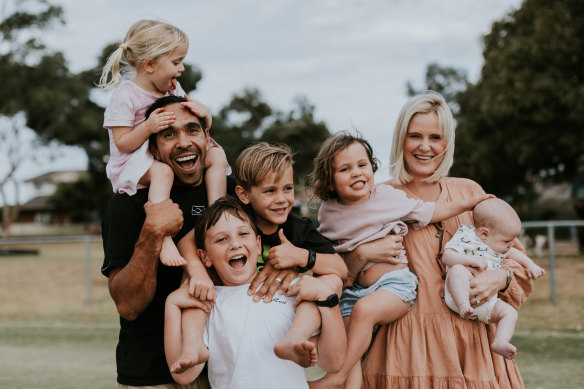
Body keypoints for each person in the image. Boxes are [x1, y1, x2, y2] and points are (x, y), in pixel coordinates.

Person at [353, 91, 533, 388]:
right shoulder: (376, 198)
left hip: (473, 349)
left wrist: (501, 278)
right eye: (415, 136)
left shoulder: (470, 193)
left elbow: (516, 262)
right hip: (406, 350)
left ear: (447, 142)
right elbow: (344, 271)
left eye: (435, 137)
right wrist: (363, 255)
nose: (425, 147)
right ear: (401, 138)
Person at [306, 132, 491, 389]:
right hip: (354, 291)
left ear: (372, 167)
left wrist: (470, 202)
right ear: (329, 182)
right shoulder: (329, 212)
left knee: (363, 313)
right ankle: (344, 381)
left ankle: (335, 376)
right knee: (346, 344)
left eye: (362, 165)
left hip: (395, 286)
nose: (357, 173)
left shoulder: (386, 197)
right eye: (345, 169)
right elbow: (331, 256)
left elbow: (431, 211)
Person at [101, 95, 235, 388]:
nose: (183, 142)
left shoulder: (231, 194)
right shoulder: (127, 205)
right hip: (152, 375)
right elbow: (128, 305)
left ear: (206, 137)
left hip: (228, 370)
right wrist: (153, 235)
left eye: (192, 130)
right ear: (153, 149)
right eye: (169, 134)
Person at [164, 196, 347, 388]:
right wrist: (171, 304)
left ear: (258, 245)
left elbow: (332, 362)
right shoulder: (208, 303)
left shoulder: (288, 289)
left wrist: (328, 301)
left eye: (243, 234)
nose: (235, 244)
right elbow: (183, 376)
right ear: (205, 257)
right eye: (221, 239)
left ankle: (295, 336)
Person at [99, 19, 229, 267]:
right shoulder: (125, 95)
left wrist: (206, 115)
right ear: (149, 64)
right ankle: (165, 235)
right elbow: (122, 143)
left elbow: (193, 121)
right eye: (176, 62)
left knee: (216, 156)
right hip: (134, 161)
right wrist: (148, 127)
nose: (181, 69)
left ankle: (218, 215)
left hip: (163, 154)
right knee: (163, 172)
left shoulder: (173, 88)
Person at [233, 142, 348, 300]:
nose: (281, 199)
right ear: (243, 194)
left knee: (332, 281)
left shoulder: (299, 227)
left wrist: (300, 257)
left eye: (287, 188)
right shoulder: (234, 224)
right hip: (245, 301)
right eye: (270, 191)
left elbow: (340, 268)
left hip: (284, 304)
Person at [442, 198, 545, 359]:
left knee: (509, 313)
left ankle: (500, 341)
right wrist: (469, 261)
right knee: (457, 271)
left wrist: (530, 265)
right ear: (484, 233)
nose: (511, 245)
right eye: (507, 241)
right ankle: (463, 305)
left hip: (486, 302)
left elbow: (514, 253)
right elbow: (448, 256)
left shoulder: (498, 243)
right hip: (459, 293)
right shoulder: (466, 236)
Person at [570, 165, 584, 253]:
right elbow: (572, 197)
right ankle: (581, 247)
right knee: (581, 228)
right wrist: (578, 203)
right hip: (580, 209)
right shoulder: (577, 184)